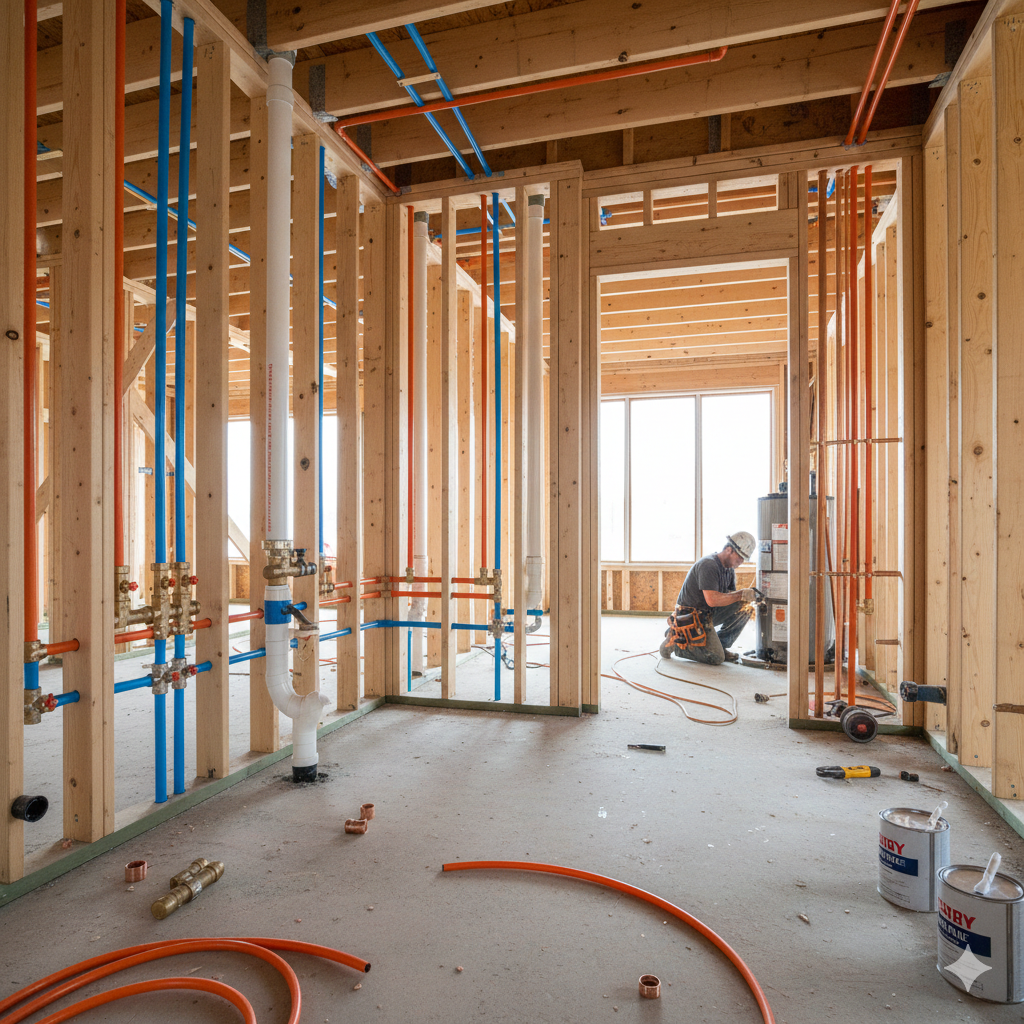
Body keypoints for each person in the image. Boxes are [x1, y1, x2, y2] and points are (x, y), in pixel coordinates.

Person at [660, 532, 758, 666]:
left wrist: (745, 597)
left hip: (708, 613)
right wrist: (741, 594)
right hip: (691, 616)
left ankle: (722, 645)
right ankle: (676, 640)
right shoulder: (709, 565)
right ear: (729, 550)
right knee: (716, 658)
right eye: (740, 558)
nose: (740, 562)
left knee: (745, 607)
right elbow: (712, 600)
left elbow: (728, 597)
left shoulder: (729, 570)